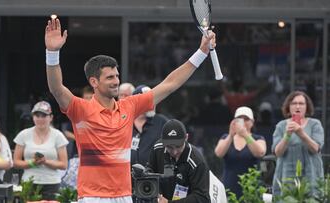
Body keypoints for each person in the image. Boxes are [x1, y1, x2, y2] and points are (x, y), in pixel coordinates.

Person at [44, 17, 216, 202]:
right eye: (109, 77)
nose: (116, 81)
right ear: (94, 82)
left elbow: (170, 84)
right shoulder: (80, 109)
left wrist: (201, 52)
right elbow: (56, 88)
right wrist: (52, 53)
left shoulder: (130, 105)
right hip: (92, 197)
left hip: (124, 196)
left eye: (117, 76)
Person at [272, 91, 324, 196]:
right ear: (289, 107)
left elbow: (315, 148)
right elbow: (277, 152)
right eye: (294, 103)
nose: (297, 106)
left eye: (301, 103)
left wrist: (300, 132)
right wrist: (287, 135)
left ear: (307, 107)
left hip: (311, 177)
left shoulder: (315, 124)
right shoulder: (281, 126)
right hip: (286, 177)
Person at [13, 101, 68, 200]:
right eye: (37, 115)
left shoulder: (58, 135)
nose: (40, 119)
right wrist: (32, 163)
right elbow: (16, 162)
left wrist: (45, 162)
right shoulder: (24, 134)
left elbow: (64, 165)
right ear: (33, 117)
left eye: (44, 116)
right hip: (29, 183)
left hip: (52, 183)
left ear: (51, 117)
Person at [147, 119, 210, 203]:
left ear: (186, 138)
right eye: (169, 147)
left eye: (178, 146)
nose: (174, 152)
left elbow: (202, 197)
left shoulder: (196, 162)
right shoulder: (158, 149)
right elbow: (150, 171)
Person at [214, 106, 266, 198]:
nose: (243, 122)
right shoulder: (226, 137)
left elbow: (260, 153)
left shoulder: (258, 138)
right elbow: (219, 153)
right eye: (240, 119)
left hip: (251, 189)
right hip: (229, 188)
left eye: (246, 119)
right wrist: (230, 135)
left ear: (252, 122)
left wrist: (245, 135)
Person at [130, 85, 168, 167]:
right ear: (137, 101)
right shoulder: (125, 122)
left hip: (154, 177)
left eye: (154, 99)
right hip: (127, 176)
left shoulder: (162, 123)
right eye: (148, 100)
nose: (153, 103)